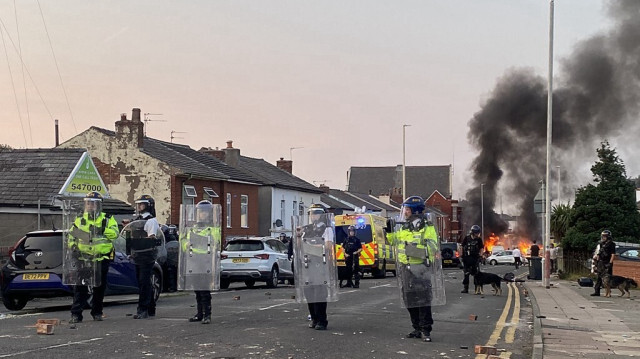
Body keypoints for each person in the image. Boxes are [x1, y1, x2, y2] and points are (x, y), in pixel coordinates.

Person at [386, 196, 439, 342]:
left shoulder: (427, 227)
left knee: (423, 299)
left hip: (421, 267)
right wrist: (390, 231)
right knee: (409, 298)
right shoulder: (404, 226)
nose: (405, 212)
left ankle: (425, 329)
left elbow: (432, 247)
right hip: (405, 268)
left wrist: (413, 250)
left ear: (415, 210)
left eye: (407, 209)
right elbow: (395, 242)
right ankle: (416, 327)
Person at [68, 192, 119, 323]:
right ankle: (76, 314)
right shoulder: (80, 219)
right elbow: (72, 236)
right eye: (88, 203)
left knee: (99, 288)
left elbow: (115, 234)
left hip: (101, 258)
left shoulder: (107, 218)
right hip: (84, 258)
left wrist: (102, 229)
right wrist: (73, 247)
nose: (90, 205)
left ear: (98, 205)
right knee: (80, 287)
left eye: (93, 203)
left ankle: (97, 312)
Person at [295, 204, 335, 330]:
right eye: (311, 213)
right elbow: (299, 246)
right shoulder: (306, 229)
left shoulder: (326, 229)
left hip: (319, 263)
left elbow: (327, 246)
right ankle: (314, 318)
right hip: (307, 263)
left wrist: (311, 247)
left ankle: (322, 320)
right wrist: (297, 236)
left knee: (319, 292)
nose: (313, 216)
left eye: (316, 213)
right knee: (309, 292)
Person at [181, 200, 221, 324]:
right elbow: (184, 243)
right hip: (194, 261)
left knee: (204, 289)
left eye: (203, 212)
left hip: (206, 261)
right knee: (197, 289)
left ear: (208, 213)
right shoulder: (193, 228)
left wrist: (202, 242)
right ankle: (199, 313)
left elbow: (216, 243)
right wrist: (185, 245)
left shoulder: (213, 228)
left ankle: (207, 315)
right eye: (199, 212)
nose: (201, 214)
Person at [131, 194, 160, 319]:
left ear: (148, 206)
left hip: (147, 254)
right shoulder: (137, 219)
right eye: (138, 204)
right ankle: (150, 308)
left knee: (144, 282)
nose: (139, 206)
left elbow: (151, 237)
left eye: (142, 204)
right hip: (138, 253)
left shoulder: (150, 220)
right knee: (144, 282)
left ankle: (142, 309)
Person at [591, 230, 616, 297]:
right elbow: (599, 253)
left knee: (608, 278)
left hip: (607, 262)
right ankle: (597, 291)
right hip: (601, 262)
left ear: (608, 237)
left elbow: (613, 254)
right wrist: (597, 262)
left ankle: (609, 292)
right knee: (599, 277)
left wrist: (610, 263)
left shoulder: (612, 244)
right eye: (603, 236)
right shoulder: (601, 244)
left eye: (605, 236)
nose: (603, 237)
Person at [461, 225, 484, 294]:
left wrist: (481, 255)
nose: (477, 234)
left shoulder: (479, 239)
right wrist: (461, 255)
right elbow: (462, 246)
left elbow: (481, 248)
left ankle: (477, 289)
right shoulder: (467, 238)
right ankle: (466, 288)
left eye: (478, 233)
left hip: (475, 258)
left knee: (476, 274)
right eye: (476, 233)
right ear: (473, 232)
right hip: (467, 258)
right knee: (466, 273)